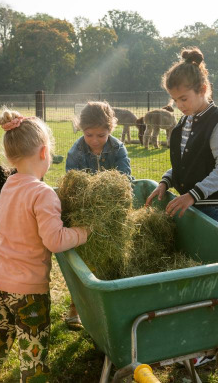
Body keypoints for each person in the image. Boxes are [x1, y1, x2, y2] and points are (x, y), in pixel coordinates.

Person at [0, 108, 89, 382]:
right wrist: (84, 231)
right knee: (33, 359)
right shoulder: (43, 193)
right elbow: (55, 240)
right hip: (29, 294)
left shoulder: (8, 186)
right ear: (44, 151)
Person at [145, 47, 218, 225]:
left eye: (183, 99)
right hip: (190, 200)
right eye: (175, 100)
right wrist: (165, 182)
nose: (179, 105)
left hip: (211, 205)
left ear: (202, 89)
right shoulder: (185, 120)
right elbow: (185, 163)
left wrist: (193, 195)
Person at [63, 101, 132, 329]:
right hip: (86, 213)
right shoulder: (76, 152)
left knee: (112, 255)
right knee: (85, 259)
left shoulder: (117, 148)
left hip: (111, 212)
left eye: (101, 135)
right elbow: (72, 185)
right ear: (81, 129)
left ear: (110, 129)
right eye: (89, 134)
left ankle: (112, 304)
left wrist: (111, 197)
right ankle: (76, 306)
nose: (94, 140)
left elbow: (125, 179)